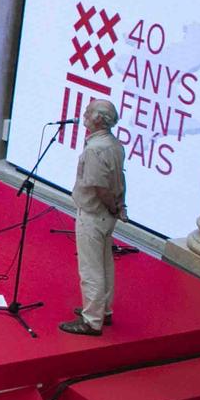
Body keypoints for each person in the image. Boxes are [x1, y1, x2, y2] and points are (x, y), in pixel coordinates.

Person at [62, 97, 126, 337]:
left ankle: (91, 320)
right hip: (107, 214)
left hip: (94, 213)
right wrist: (118, 207)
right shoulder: (114, 145)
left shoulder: (95, 149)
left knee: (91, 268)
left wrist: (111, 206)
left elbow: (99, 187)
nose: (84, 114)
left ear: (98, 119)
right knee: (105, 263)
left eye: (88, 112)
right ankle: (103, 310)